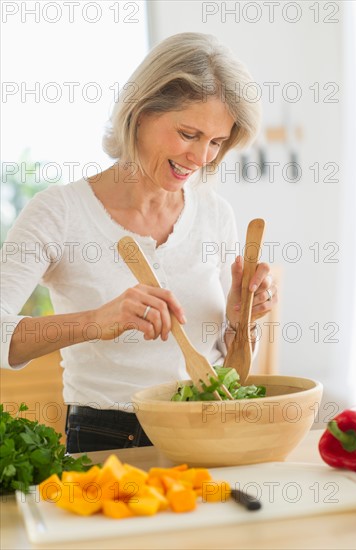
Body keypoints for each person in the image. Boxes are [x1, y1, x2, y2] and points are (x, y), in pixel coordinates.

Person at [0, 32, 277, 453]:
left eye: (216, 142)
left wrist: (241, 324)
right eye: (188, 133)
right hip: (108, 437)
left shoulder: (215, 213)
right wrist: (95, 321)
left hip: (207, 429)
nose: (202, 158)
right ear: (143, 112)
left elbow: (230, 367)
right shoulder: (59, 212)